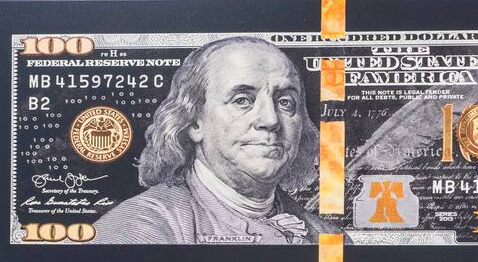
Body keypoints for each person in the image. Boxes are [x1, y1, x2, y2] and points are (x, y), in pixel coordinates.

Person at [94, 36, 331, 245]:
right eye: (241, 100)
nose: (271, 120)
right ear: (194, 122)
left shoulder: (327, 235)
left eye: (285, 102)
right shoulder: (136, 229)